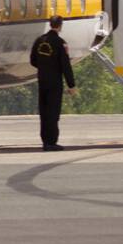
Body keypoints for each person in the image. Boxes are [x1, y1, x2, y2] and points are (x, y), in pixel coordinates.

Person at [29, 15, 77, 151]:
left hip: (42, 80)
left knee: (44, 112)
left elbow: (32, 60)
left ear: (50, 24)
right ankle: (51, 141)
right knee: (53, 112)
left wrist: (44, 67)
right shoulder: (60, 43)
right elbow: (65, 66)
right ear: (60, 26)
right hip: (55, 82)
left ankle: (45, 141)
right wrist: (71, 84)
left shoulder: (39, 41)